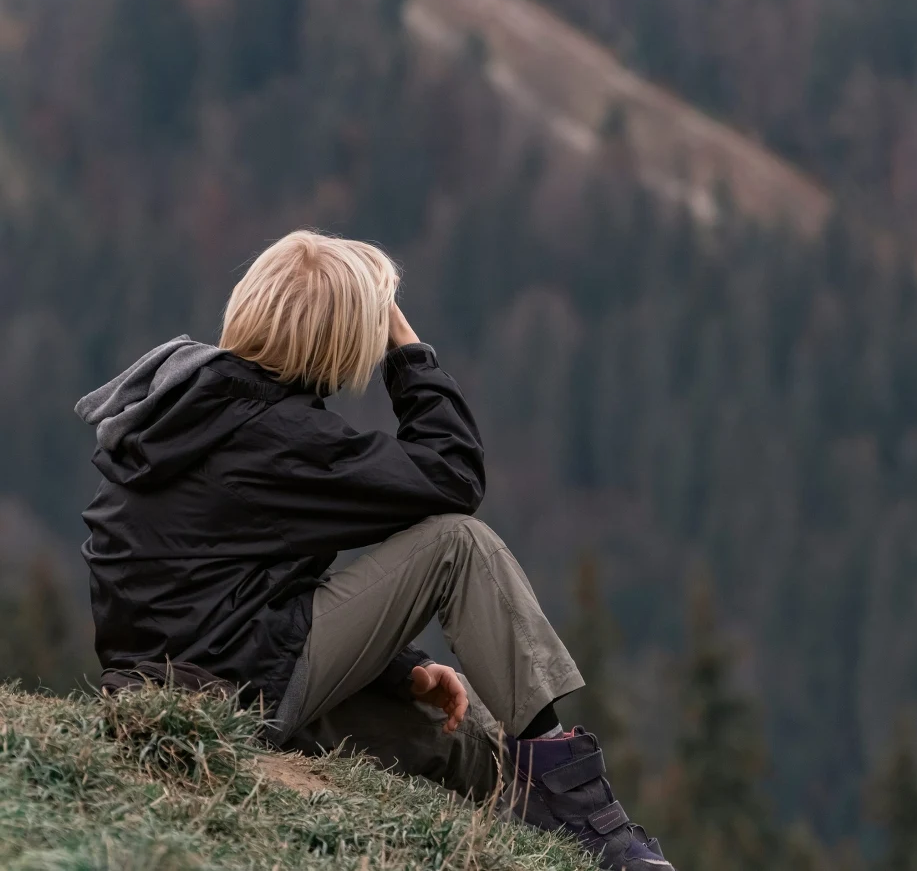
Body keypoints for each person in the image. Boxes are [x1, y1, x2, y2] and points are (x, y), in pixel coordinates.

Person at [76, 230, 672, 871]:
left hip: (190, 689)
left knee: (461, 740)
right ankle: (578, 805)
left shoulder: (187, 415)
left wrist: (398, 668)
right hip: (242, 690)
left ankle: (566, 840)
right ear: (342, 338)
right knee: (457, 546)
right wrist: (408, 349)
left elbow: (229, 589)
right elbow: (452, 477)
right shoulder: (275, 436)